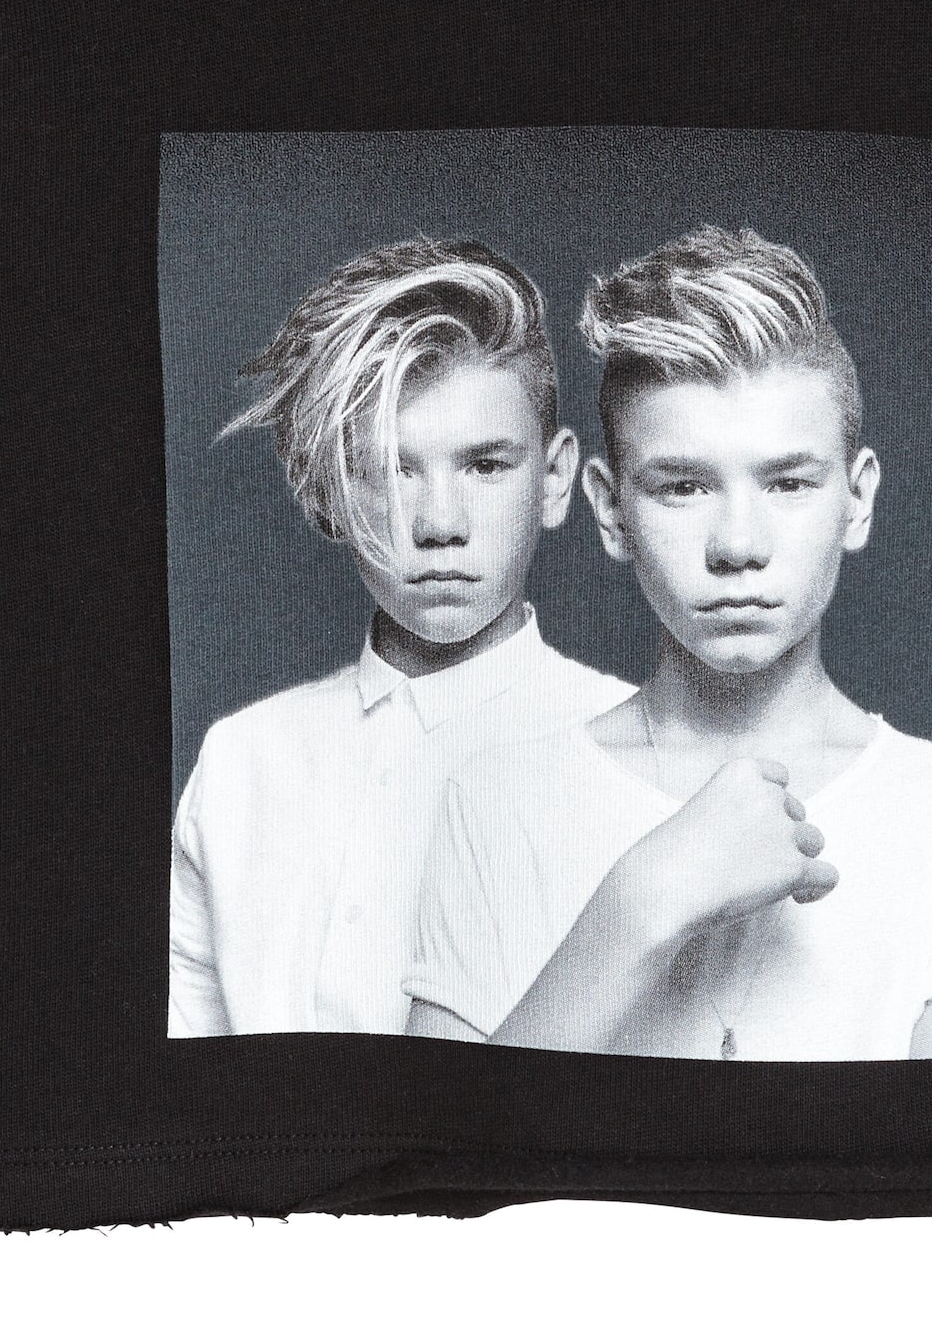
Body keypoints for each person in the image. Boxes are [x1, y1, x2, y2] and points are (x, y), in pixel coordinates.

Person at [405, 225, 932, 1060]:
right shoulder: (498, 804)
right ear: (609, 509)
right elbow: (439, 1137)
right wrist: (643, 902)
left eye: (788, 482)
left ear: (858, 499)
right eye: (684, 486)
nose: (737, 544)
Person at [169, 239, 631, 1037]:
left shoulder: (631, 754)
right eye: (389, 468)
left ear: (554, 480)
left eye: (486, 465)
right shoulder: (244, 760)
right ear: (328, 493)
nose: (440, 523)